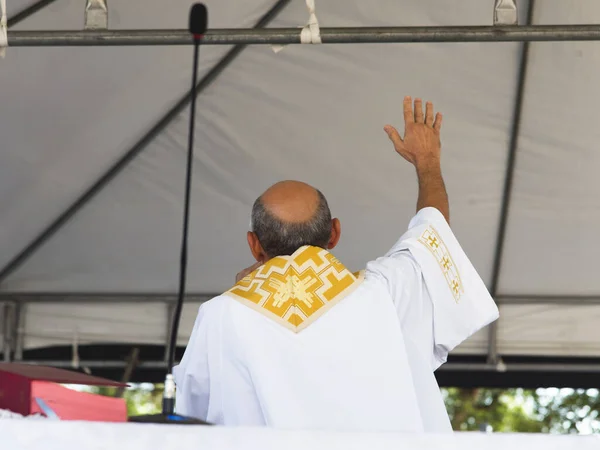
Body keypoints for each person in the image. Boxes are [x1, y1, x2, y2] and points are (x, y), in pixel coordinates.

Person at [173, 97, 499, 432]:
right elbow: (433, 235)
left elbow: (191, 421)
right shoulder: (386, 292)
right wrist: (427, 161)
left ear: (254, 245)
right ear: (335, 233)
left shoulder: (221, 316)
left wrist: (243, 295)